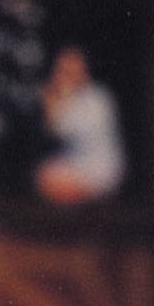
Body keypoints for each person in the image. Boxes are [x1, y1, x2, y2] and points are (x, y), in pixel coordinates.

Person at [34, 46, 127, 206]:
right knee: (43, 173)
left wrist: (57, 101)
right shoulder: (73, 97)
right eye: (63, 70)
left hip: (101, 169)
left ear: (85, 70)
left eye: (72, 70)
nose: (66, 75)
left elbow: (61, 129)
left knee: (48, 180)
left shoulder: (97, 97)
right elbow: (50, 134)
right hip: (78, 162)